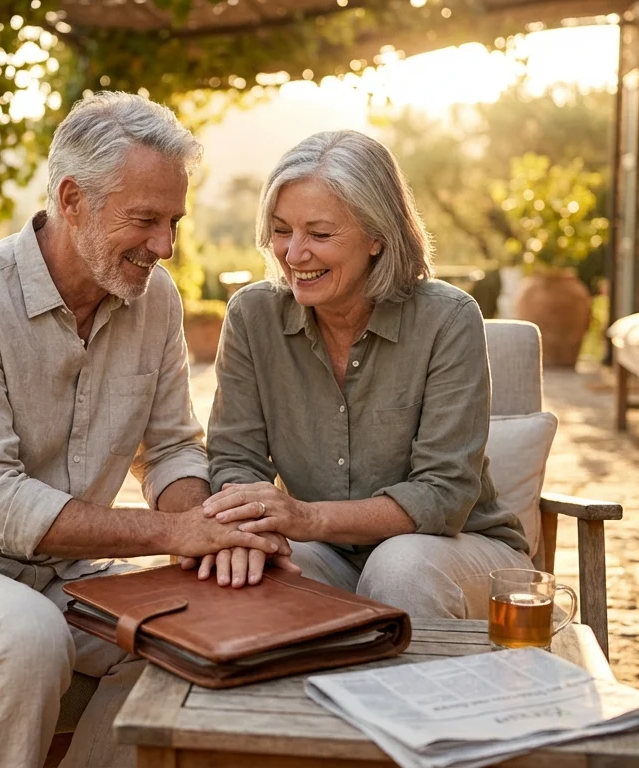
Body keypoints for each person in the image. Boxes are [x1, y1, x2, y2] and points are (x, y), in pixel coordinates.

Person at [0, 92, 290, 768]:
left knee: (196, 646)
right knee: (22, 636)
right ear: (72, 199)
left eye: (174, 221)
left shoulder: (154, 297)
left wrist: (210, 535)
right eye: (145, 220)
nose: (165, 246)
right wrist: (170, 535)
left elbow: (168, 449)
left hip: (60, 572)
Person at [198, 129, 533, 618]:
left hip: (456, 548)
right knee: (250, 578)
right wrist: (245, 531)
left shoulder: (449, 318)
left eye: (319, 233)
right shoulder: (253, 317)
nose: (293, 255)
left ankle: (412, 699)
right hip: (326, 550)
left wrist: (305, 516)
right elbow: (235, 457)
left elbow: (443, 494)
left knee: (400, 568)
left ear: (378, 236)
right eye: (281, 230)